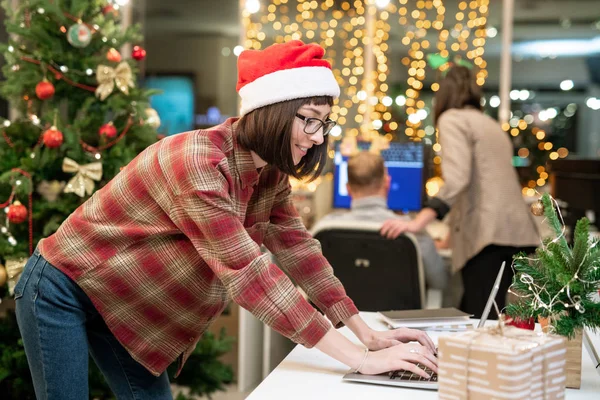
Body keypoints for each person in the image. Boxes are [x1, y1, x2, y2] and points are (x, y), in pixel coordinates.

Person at [14, 41, 437, 400]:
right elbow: (249, 273)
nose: (317, 136)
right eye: (308, 119)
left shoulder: (269, 170)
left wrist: (365, 332)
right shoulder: (196, 163)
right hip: (63, 287)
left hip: (125, 303)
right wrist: (360, 359)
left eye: (324, 123)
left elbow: (298, 248)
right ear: (273, 111)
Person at [380, 66, 539, 319]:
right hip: (513, 233)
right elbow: (479, 187)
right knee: (481, 314)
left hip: (488, 234)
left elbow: (458, 179)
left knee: (480, 321)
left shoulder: (451, 119)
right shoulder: (489, 123)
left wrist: (419, 222)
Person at [314, 151, 448, 291]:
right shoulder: (412, 232)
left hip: (339, 313)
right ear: (387, 183)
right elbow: (440, 283)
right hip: (396, 312)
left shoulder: (324, 229)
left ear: (347, 188)